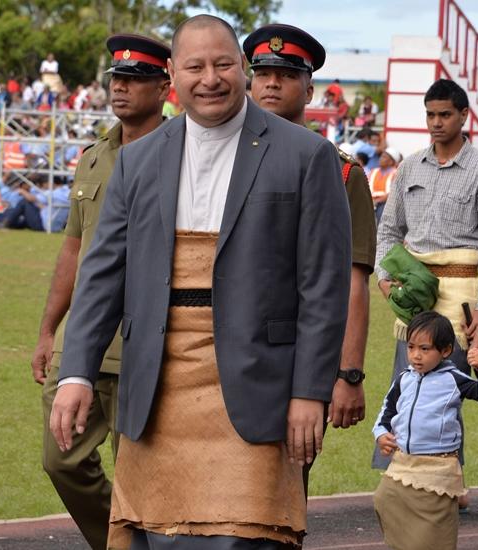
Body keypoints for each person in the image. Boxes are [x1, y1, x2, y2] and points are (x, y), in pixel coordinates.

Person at [48, 14, 351, 549]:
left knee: (246, 536)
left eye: (222, 64)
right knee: (155, 533)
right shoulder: (136, 162)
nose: (209, 79)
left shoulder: (308, 156)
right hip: (156, 384)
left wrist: (310, 391)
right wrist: (75, 373)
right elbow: (101, 275)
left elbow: (323, 286)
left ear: (242, 67)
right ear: (172, 75)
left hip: (259, 387)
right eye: (194, 67)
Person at [28, 34, 170, 550]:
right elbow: (73, 250)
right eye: (117, 79)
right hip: (84, 342)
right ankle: (123, 543)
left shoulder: (181, 155)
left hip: (147, 340)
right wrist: (48, 330)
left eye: (135, 80)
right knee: (59, 459)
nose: (121, 89)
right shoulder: (93, 157)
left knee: (144, 474)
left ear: (163, 87)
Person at [244, 23, 377, 497]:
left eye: (286, 73)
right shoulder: (217, 159)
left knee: (279, 498)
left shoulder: (342, 172)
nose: (272, 83)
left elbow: (352, 281)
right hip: (221, 353)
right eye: (262, 72)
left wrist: (349, 374)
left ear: (309, 87)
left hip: (299, 364)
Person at [373, 78, 478, 470]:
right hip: (413, 294)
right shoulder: (409, 166)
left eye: (445, 114)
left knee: (449, 391)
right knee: (409, 383)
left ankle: (448, 474)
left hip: (462, 298)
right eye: (430, 114)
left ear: (464, 116)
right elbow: (388, 230)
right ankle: (401, 470)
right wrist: (384, 278)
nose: (436, 122)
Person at [372, 311, 478, 550]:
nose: (416, 355)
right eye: (411, 347)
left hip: (438, 468)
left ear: (446, 351)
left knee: (433, 534)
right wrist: (380, 434)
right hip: (404, 464)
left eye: (425, 349)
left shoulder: (453, 379)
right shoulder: (403, 379)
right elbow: (386, 412)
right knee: (383, 499)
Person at [369, 147, 402, 223]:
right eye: (381, 156)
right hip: (371, 201)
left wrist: (377, 201)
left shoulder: (396, 173)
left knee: (382, 213)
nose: (380, 159)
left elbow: (393, 193)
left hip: (384, 203)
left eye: (384, 157)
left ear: (391, 162)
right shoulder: (374, 171)